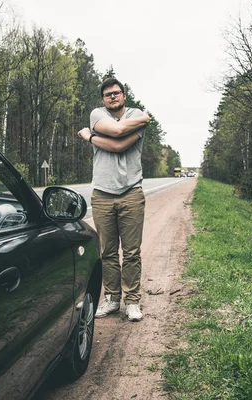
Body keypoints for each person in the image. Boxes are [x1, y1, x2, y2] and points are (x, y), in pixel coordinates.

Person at [77, 77, 150, 322]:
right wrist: (143, 120)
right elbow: (118, 134)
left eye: (117, 93)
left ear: (124, 95)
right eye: (108, 94)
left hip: (131, 192)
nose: (113, 97)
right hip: (102, 194)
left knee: (131, 253)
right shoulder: (97, 114)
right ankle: (111, 298)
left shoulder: (135, 113)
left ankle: (132, 301)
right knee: (107, 252)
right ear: (103, 99)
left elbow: (118, 143)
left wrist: (90, 138)